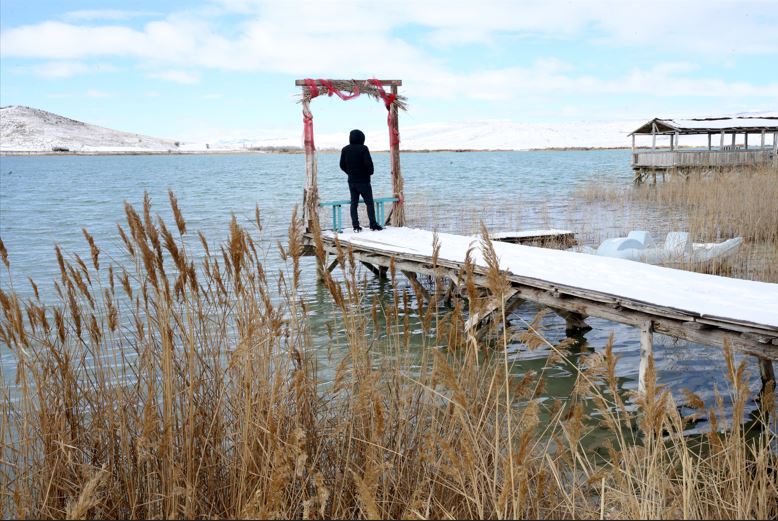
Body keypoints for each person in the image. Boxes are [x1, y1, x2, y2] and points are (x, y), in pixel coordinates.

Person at [339, 129, 382, 232]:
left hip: (352, 181)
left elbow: (341, 165)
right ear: (362, 138)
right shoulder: (363, 148)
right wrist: (370, 172)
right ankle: (373, 224)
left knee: (354, 203)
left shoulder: (345, 149)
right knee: (369, 203)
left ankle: (356, 226)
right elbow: (368, 164)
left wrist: (349, 173)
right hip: (364, 181)